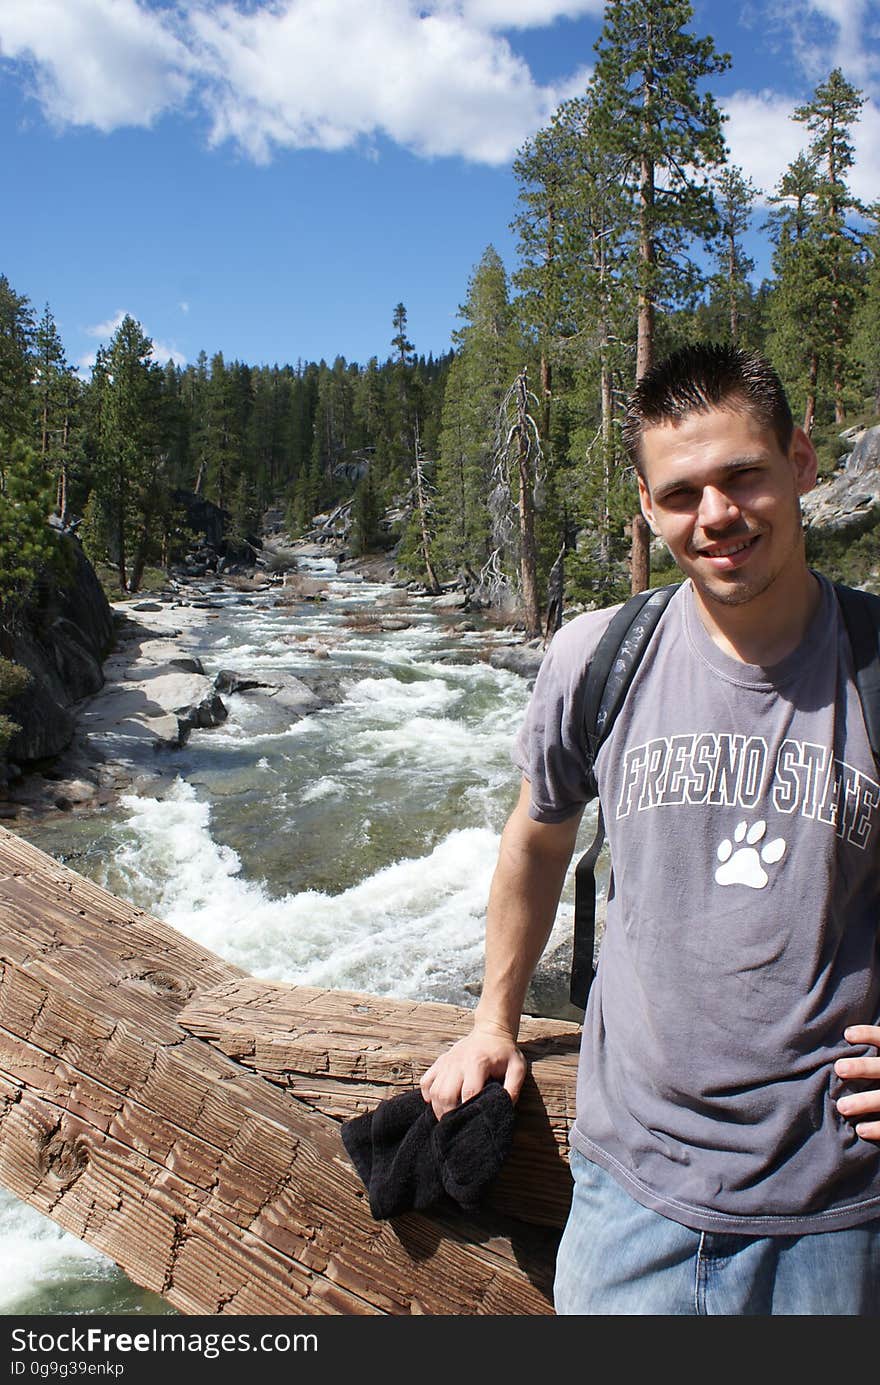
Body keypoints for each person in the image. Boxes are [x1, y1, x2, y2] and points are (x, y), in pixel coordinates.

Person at [419, 343, 880, 1316]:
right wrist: (493, 1020)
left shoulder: (874, 666)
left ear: (800, 462)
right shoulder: (598, 656)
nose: (714, 515)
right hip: (629, 1188)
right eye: (680, 494)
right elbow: (538, 837)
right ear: (644, 502)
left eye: (741, 475)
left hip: (837, 1202)